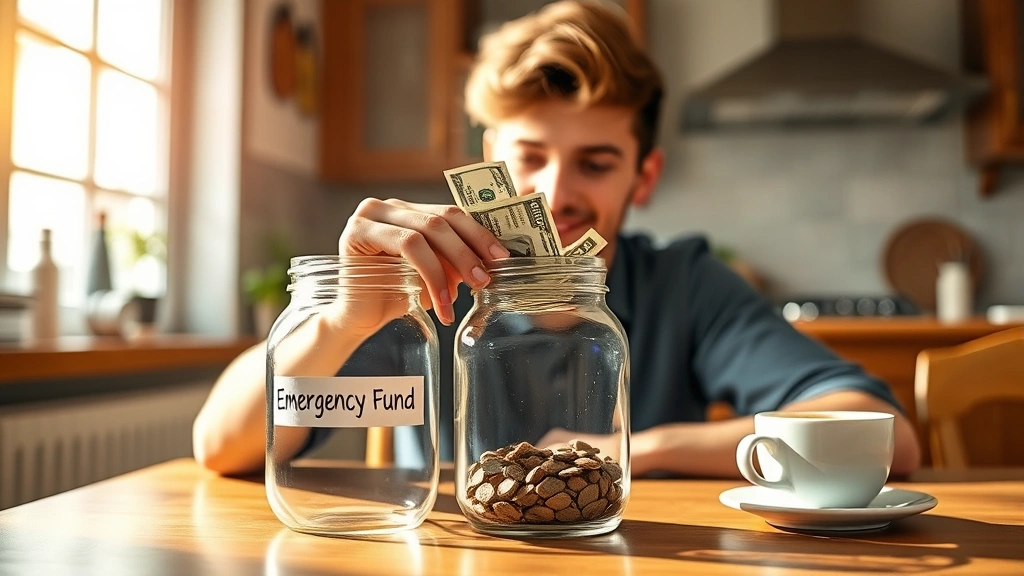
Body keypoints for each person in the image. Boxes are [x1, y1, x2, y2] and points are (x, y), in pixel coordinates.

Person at [193, 0, 921, 477]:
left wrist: (620, 453)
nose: (554, 193)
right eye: (530, 157)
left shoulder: (683, 285)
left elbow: (884, 435)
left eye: (596, 162)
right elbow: (221, 448)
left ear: (645, 176)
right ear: (488, 157)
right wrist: (344, 317)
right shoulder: (423, 289)